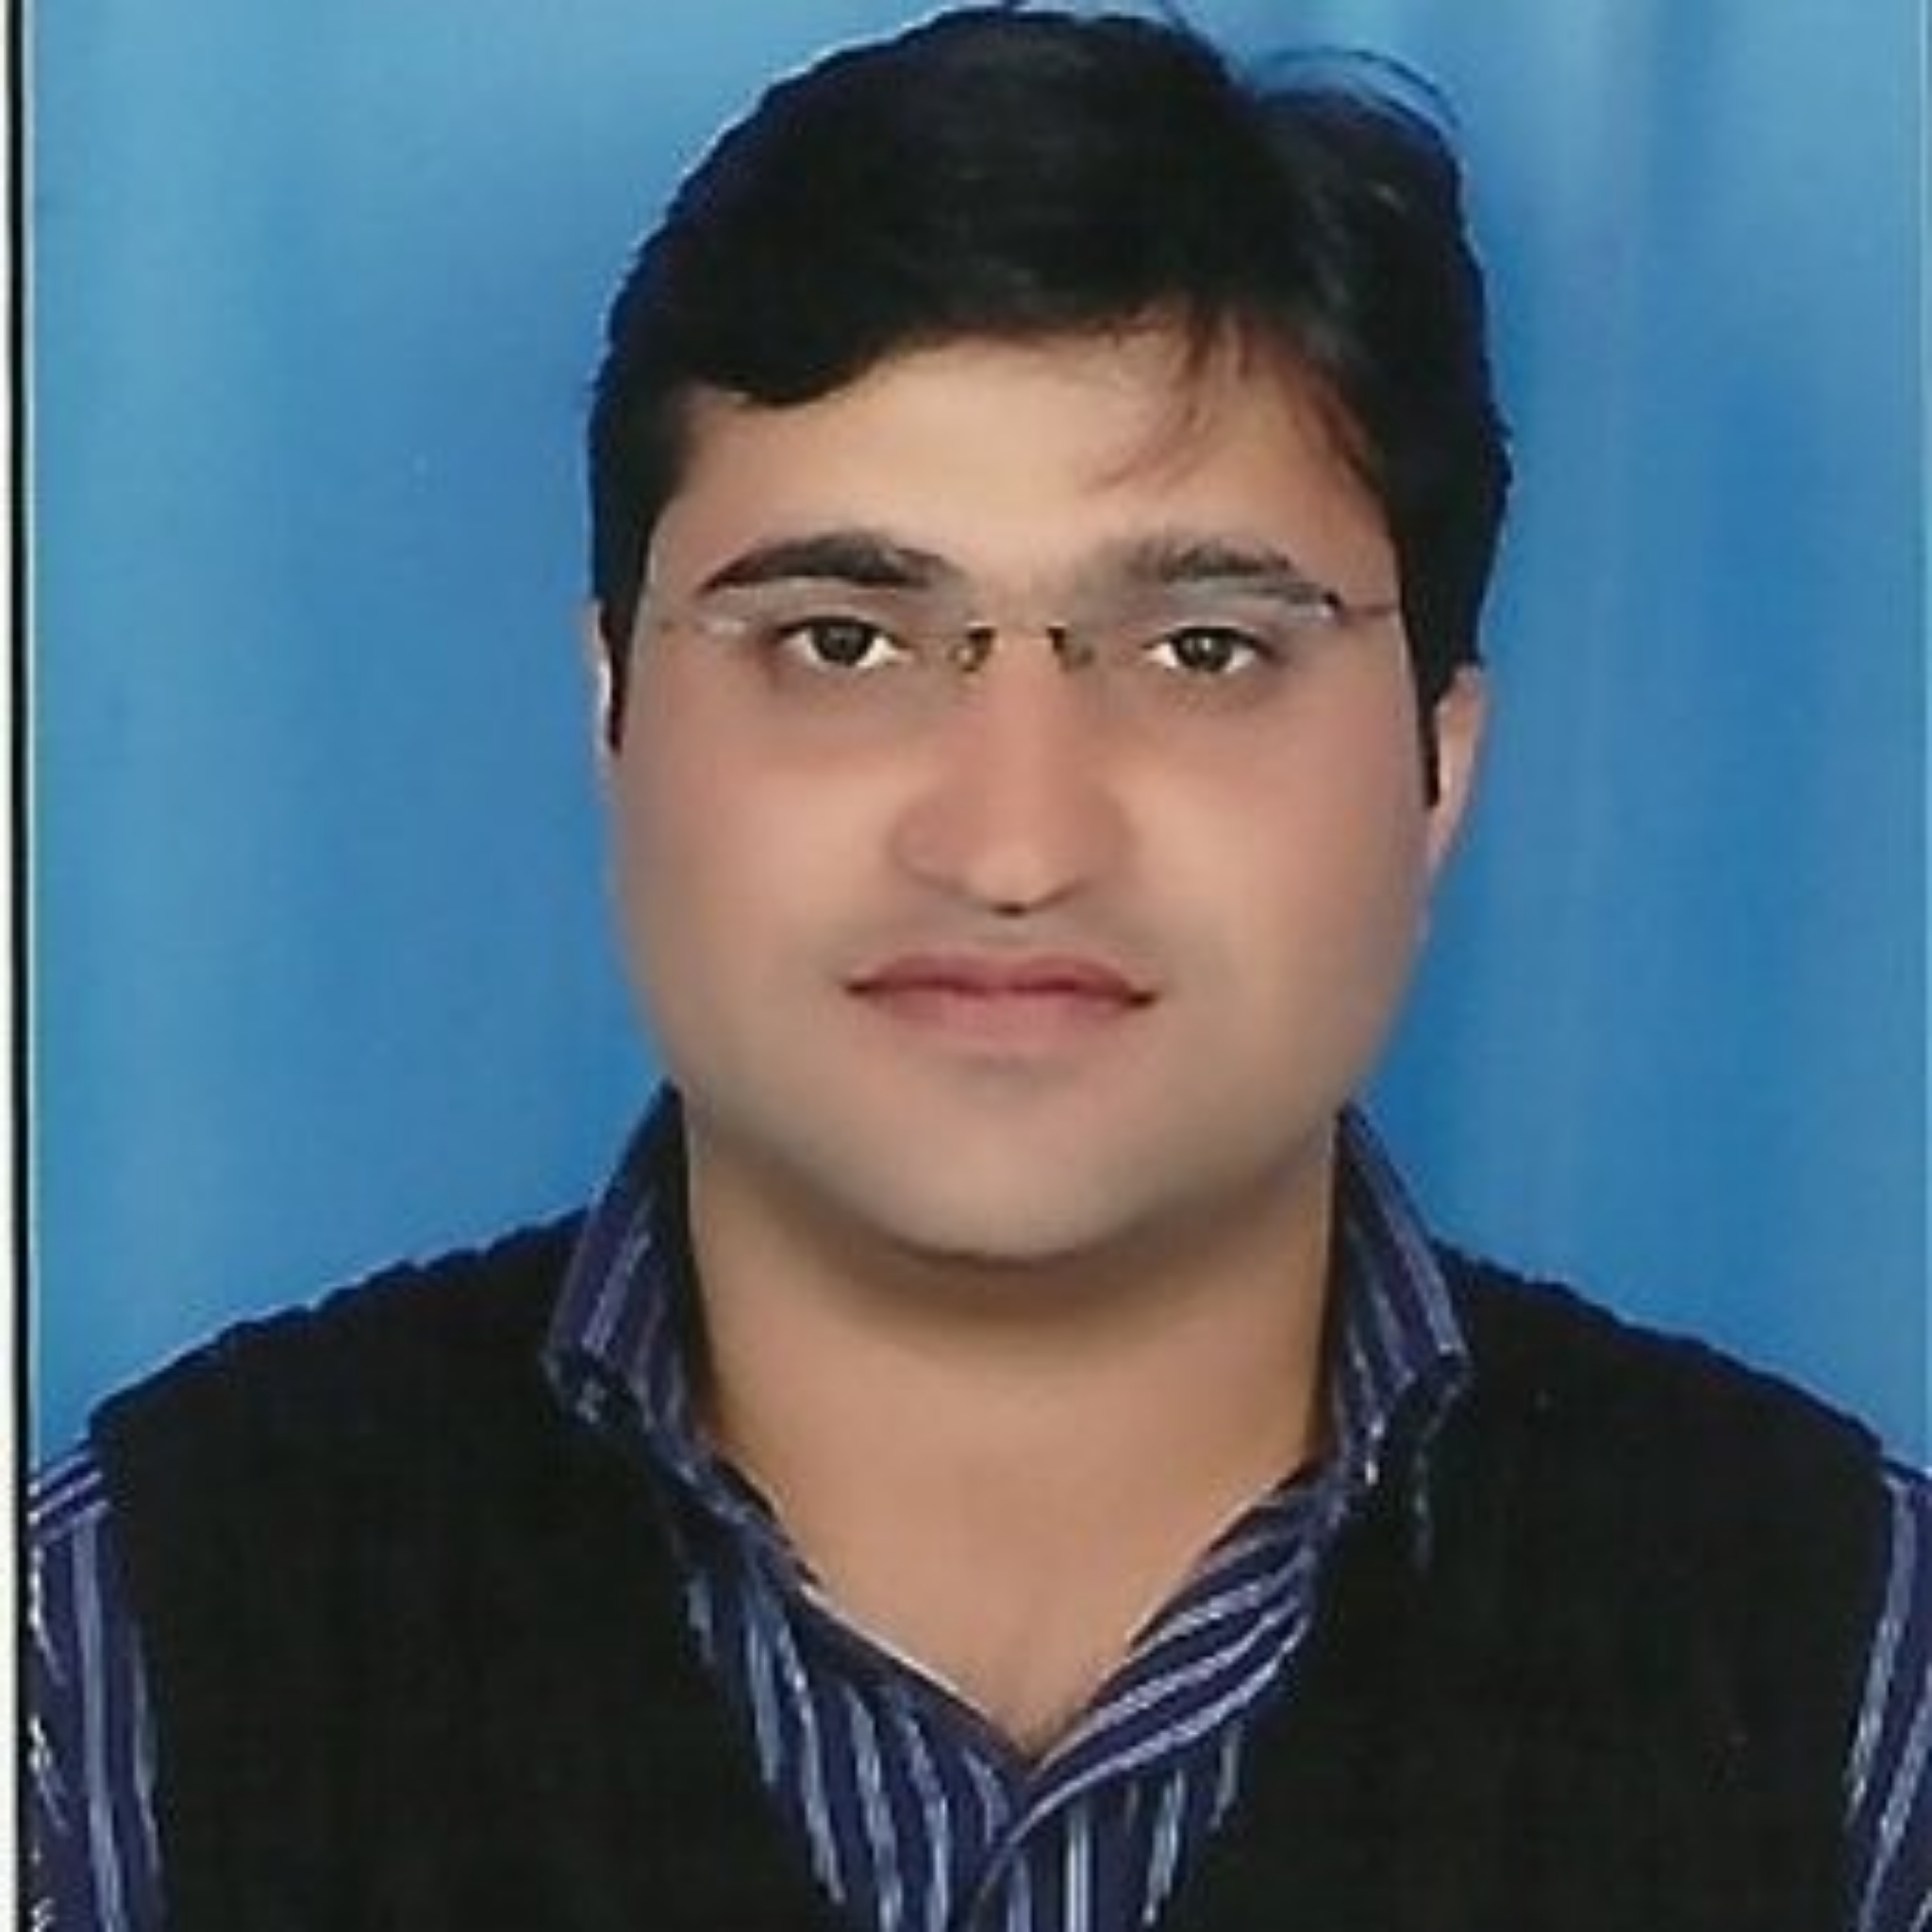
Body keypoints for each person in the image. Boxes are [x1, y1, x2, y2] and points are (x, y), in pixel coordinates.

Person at [29, 8, 1929, 1929]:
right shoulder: (114, 1649)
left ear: (1440, 763)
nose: (1014, 845)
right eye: (841, 642)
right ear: (613, 710)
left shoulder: (1855, 1679)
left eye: (1202, 650)